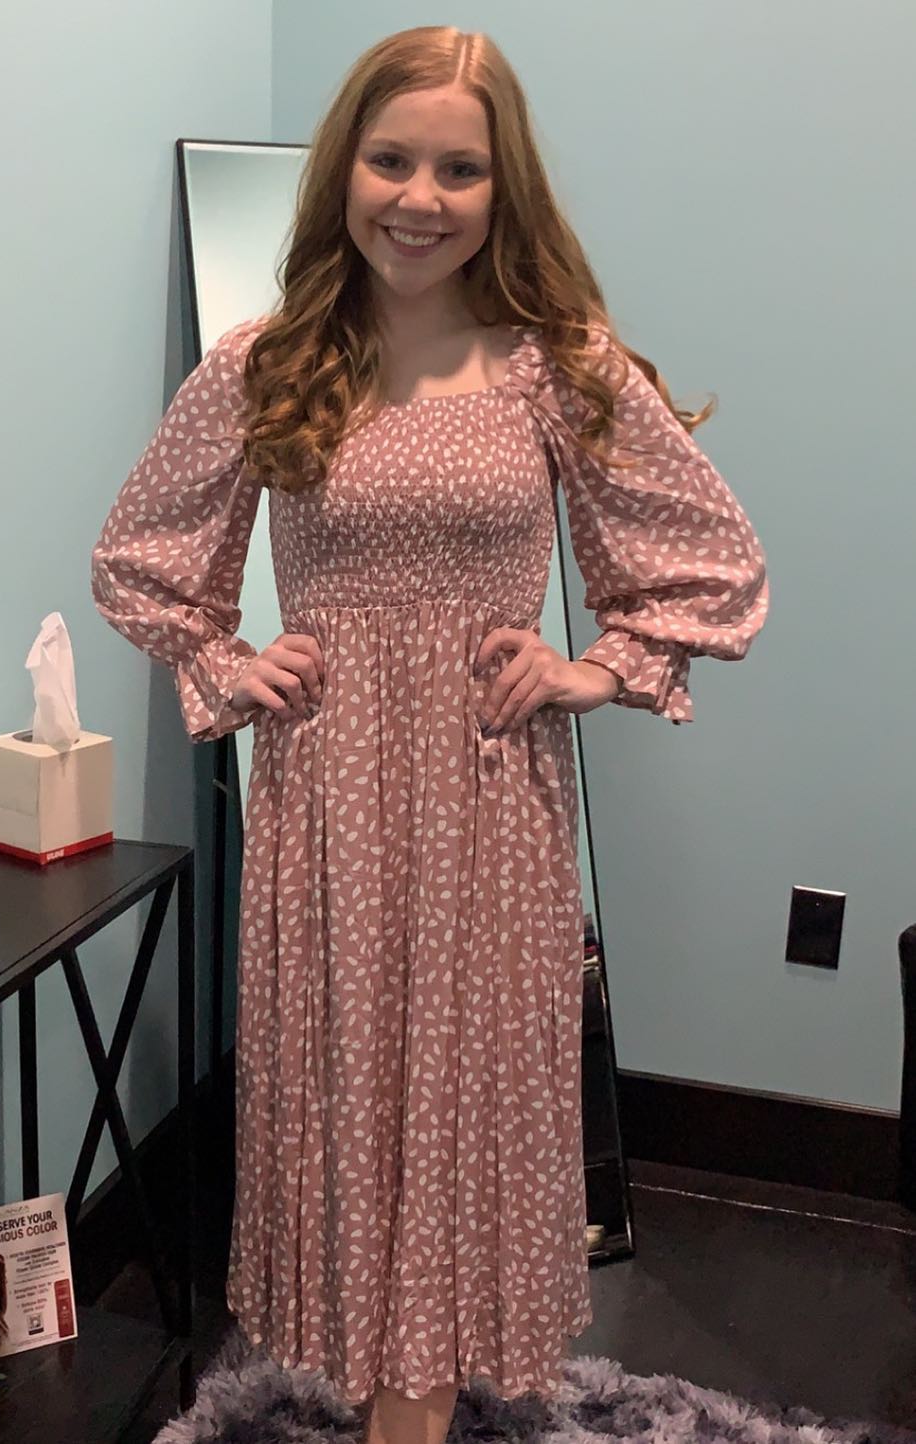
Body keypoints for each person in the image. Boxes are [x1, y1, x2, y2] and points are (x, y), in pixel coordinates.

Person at [91, 25, 768, 1444]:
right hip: (327, 799)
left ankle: (415, 1404)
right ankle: (397, 1394)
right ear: (345, 169)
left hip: (487, 797)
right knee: (351, 1110)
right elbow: (141, 558)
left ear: (501, 186)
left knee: (469, 1115)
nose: (420, 194)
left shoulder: (553, 369)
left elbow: (710, 560)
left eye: (460, 167)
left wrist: (602, 671)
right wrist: (227, 658)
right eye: (392, 158)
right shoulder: (270, 365)